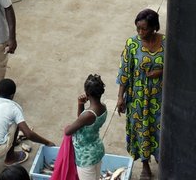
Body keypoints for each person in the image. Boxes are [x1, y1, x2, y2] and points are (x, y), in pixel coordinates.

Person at [117, 9, 165, 179]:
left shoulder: (166, 43)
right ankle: (145, 165)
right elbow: (124, 71)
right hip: (138, 99)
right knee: (142, 130)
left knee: (161, 131)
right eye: (138, 28)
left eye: (144, 29)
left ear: (154, 27)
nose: (140, 32)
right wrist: (120, 97)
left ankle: (163, 162)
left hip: (160, 99)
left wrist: (161, 72)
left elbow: (177, 66)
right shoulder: (132, 44)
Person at [0, 78, 55, 177]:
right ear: (12, 95)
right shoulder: (14, 107)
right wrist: (47, 142)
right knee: (16, 123)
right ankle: (10, 158)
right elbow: (28, 134)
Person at [64, 74, 107, 180]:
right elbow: (82, 120)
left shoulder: (88, 115)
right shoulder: (103, 108)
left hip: (86, 157)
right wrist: (80, 104)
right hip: (96, 149)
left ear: (87, 94)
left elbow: (68, 131)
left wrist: (80, 105)